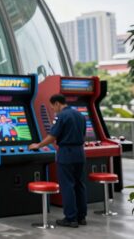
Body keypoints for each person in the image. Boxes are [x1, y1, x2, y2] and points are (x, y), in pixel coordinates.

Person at [28, 93, 87, 228]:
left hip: (66, 153)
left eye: (53, 107)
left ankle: (70, 218)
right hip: (80, 152)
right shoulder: (80, 115)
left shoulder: (61, 116)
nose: (54, 110)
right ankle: (81, 217)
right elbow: (83, 134)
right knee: (80, 185)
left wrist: (37, 145)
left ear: (57, 104)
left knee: (67, 186)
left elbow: (52, 136)